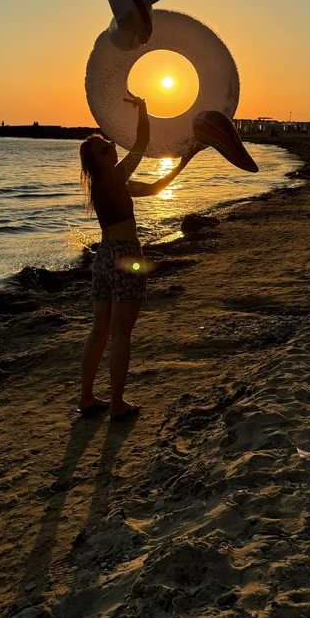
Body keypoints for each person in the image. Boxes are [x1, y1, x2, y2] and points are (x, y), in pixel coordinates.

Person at [77, 94, 200, 421]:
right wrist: (143, 108)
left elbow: (158, 188)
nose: (110, 148)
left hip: (102, 257)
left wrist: (185, 160)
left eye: (107, 143)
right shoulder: (112, 178)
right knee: (120, 333)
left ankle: (87, 397)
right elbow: (142, 143)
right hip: (123, 255)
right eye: (104, 149)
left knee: (99, 330)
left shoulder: (108, 184)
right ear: (97, 162)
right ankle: (117, 404)